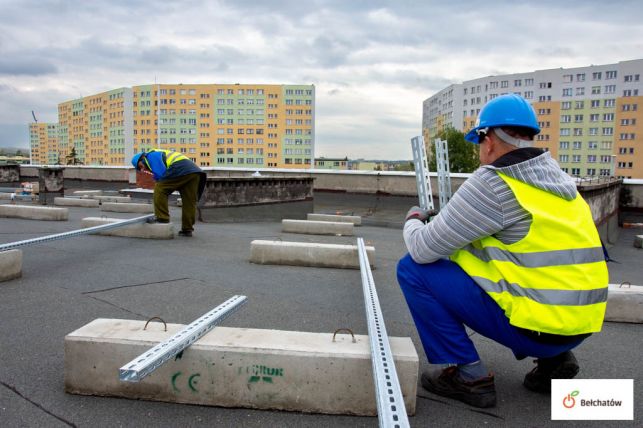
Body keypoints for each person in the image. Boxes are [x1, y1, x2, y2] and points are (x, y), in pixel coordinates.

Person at [397, 94, 608, 408]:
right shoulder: (562, 184)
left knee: (412, 268)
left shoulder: (495, 182)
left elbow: (423, 248)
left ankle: (468, 376)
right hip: (580, 325)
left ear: (490, 139)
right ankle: (555, 362)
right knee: (511, 270)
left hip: (538, 329)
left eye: (479, 142)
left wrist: (413, 220)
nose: (480, 150)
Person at [131, 149, 206, 237]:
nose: (142, 169)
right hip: (194, 171)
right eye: (139, 169)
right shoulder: (157, 155)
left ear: (141, 159)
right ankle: (187, 229)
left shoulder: (151, 156)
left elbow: (162, 176)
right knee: (189, 201)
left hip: (180, 167)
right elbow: (165, 175)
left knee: (160, 189)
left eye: (140, 166)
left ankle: (162, 218)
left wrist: (159, 181)